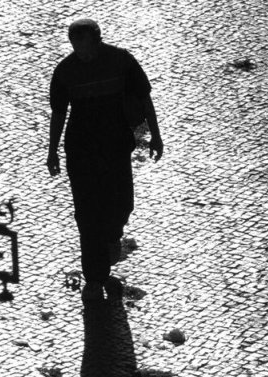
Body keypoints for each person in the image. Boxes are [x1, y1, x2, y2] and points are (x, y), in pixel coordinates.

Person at [47, 18, 163, 301]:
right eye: (76, 47)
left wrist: (157, 136)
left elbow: (145, 98)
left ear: (98, 41)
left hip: (114, 145)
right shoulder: (65, 71)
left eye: (85, 47)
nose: (81, 53)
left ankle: (112, 239)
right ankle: (94, 278)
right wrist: (52, 150)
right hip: (81, 150)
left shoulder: (121, 61)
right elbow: (59, 114)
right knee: (87, 215)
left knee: (122, 204)